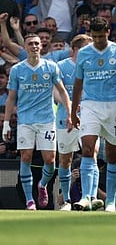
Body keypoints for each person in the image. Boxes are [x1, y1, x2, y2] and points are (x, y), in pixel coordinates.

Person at [70, 17, 116, 212]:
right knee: (88, 150)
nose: (98, 40)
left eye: (101, 36)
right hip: (90, 105)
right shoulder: (84, 54)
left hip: (113, 105)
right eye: (95, 36)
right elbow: (78, 85)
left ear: (108, 32)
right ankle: (86, 198)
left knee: (112, 156)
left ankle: (111, 201)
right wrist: (74, 111)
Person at [2, 33, 71, 210]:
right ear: (25, 47)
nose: (34, 46)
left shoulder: (51, 67)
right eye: (30, 43)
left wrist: (70, 113)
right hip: (25, 120)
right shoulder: (17, 70)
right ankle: (29, 200)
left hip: (47, 120)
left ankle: (42, 185)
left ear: (41, 47)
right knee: (26, 157)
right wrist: (7, 123)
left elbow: (62, 92)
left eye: (37, 44)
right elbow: (11, 98)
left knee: (50, 160)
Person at [56, 34, 95, 211]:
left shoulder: (93, 67)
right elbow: (55, 92)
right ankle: (66, 200)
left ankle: (89, 197)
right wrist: (71, 107)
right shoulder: (61, 67)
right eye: (86, 48)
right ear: (76, 49)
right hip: (66, 118)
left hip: (89, 117)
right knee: (65, 159)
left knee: (91, 154)